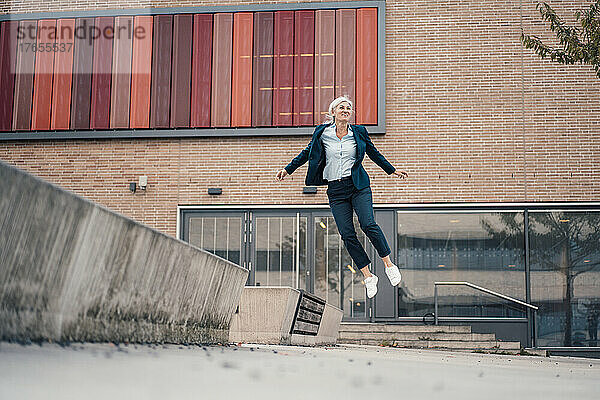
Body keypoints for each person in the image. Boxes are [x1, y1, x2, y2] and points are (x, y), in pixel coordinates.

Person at [275, 96, 409, 298]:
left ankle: (389, 265)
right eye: (341, 107)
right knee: (347, 234)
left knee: (368, 224)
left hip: (358, 186)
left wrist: (392, 170)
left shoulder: (359, 132)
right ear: (333, 112)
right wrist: (288, 169)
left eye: (348, 108)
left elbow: (373, 153)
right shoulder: (323, 133)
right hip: (336, 191)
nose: (346, 110)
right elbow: (306, 153)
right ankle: (368, 276)